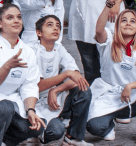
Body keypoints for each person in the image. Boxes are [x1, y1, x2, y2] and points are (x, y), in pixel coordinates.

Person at [86, 0, 136, 146]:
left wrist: (130, 86)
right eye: (124, 20)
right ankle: (108, 127)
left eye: (132, 21)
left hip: (129, 95)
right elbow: (99, 30)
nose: (128, 23)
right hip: (107, 95)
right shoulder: (109, 41)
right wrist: (109, 5)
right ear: (117, 25)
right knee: (94, 126)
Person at [0, 4, 47, 145]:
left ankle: (5, 142)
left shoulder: (27, 51)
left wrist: (30, 110)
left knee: (37, 125)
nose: (16, 21)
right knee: (4, 107)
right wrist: (7, 67)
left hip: (11, 97)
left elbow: (29, 85)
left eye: (19, 17)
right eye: (10, 17)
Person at [34, 15, 92, 146]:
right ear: (39, 32)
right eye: (50, 25)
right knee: (55, 131)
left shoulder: (59, 48)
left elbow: (78, 77)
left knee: (83, 88)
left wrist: (56, 90)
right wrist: (66, 74)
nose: (55, 28)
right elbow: (37, 87)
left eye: (58, 26)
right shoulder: (31, 50)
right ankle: (33, 133)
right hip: (34, 102)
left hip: (53, 98)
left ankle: (74, 137)